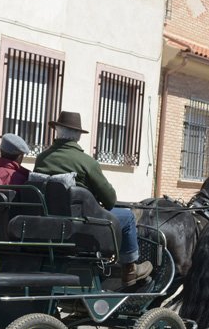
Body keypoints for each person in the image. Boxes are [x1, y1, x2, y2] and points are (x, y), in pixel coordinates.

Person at [34, 111, 152, 286]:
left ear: (57, 131)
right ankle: (130, 269)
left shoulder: (41, 159)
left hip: (48, 225)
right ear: (78, 136)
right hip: (79, 227)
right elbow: (110, 200)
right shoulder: (87, 162)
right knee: (127, 216)